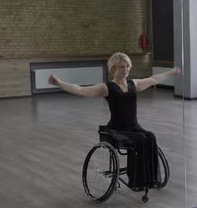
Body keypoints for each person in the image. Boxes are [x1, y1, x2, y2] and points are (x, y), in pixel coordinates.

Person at [48, 52, 181, 189]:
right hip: (117, 129)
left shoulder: (133, 84)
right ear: (113, 69)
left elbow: (154, 79)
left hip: (134, 127)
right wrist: (59, 83)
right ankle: (137, 179)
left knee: (150, 136)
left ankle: (149, 177)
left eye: (128, 66)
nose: (126, 70)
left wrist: (171, 72)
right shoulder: (106, 88)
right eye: (122, 67)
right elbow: (81, 90)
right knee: (141, 139)